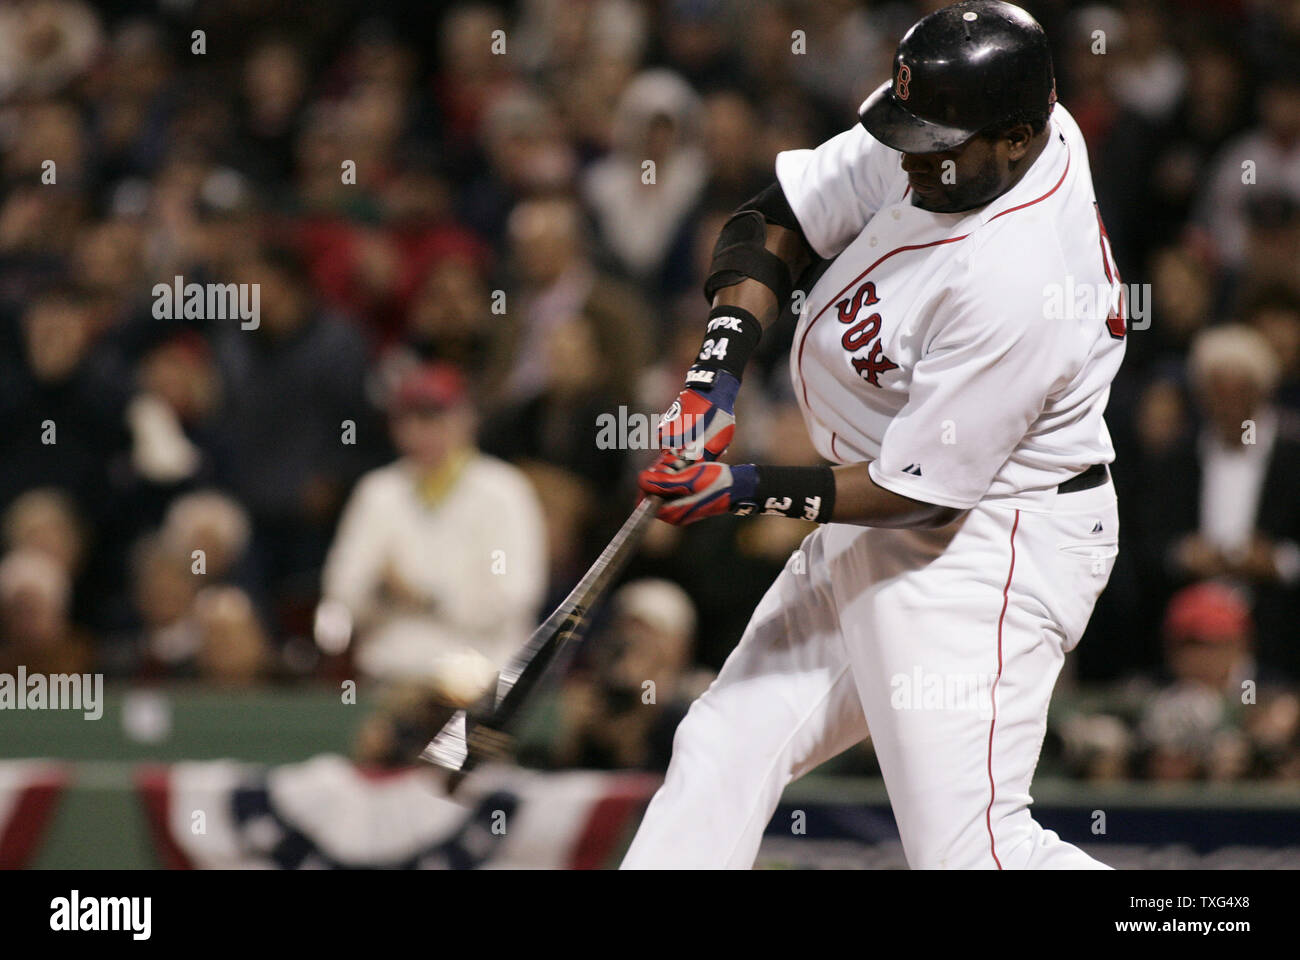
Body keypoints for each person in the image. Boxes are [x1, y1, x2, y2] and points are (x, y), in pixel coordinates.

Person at [623, 1, 1126, 869]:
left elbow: (920, 494)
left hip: (985, 542)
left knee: (973, 855)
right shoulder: (970, 122)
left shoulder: (1022, 276)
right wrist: (715, 375)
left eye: (936, 146)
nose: (910, 160)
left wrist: (739, 489)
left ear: (1017, 136)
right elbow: (773, 216)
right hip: (885, 515)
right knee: (725, 744)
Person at [320, 363, 547, 699]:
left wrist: (425, 597)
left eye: (431, 417)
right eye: (406, 419)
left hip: (480, 683)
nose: (417, 432)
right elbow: (340, 595)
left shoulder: (504, 491)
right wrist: (383, 589)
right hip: (391, 678)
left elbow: (514, 597)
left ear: (466, 419)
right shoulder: (378, 492)